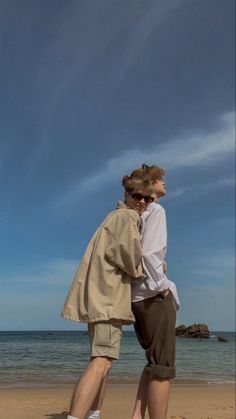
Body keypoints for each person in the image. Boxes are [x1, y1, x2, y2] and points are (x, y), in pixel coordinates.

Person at [61, 175, 154, 419]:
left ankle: (94, 414)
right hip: (108, 300)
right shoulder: (127, 217)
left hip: (98, 297)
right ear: (126, 194)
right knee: (102, 360)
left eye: (147, 198)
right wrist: (156, 269)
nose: (142, 202)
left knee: (102, 361)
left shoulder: (113, 217)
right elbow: (131, 260)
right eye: (137, 196)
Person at [125, 164, 180, 419]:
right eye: (161, 179)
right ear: (151, 181)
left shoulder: (133, 212)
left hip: (135, 296)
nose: (165, 183)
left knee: (152, 364)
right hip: (153, 295)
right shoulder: (156, 209)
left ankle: (137, 416)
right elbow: (149, 253)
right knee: (162, 368)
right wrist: (162, 285)